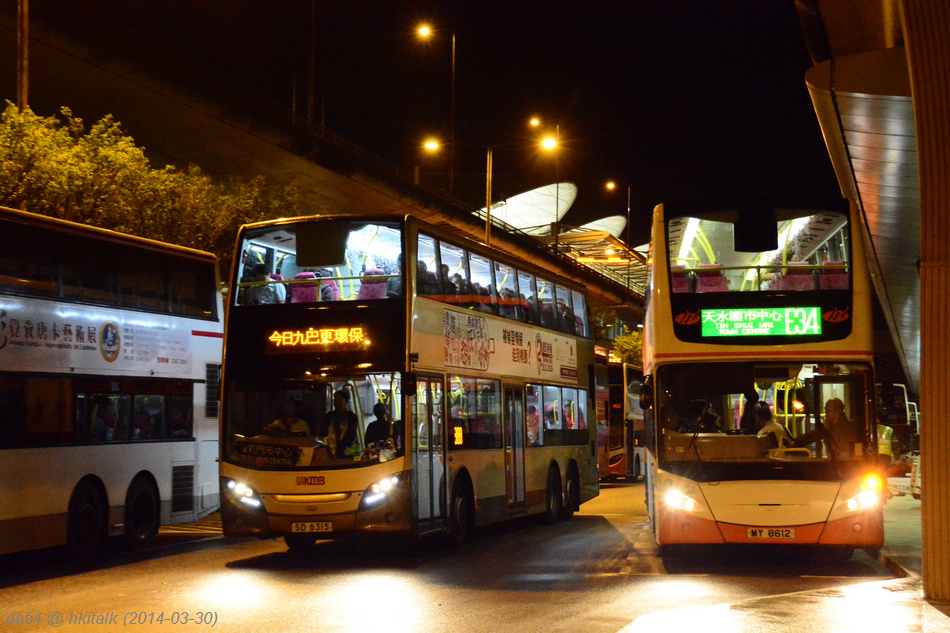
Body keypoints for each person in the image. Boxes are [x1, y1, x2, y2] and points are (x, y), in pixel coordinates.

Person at [322, 389, 359, 457]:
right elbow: (324, 433)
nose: (336, 403)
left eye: (340, 400)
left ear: (345, 402)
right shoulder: (329, 416)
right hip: (329, 452)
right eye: (335, 400)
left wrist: (340, 450)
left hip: (346, 453)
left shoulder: (351, 417)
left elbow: (350, 435)